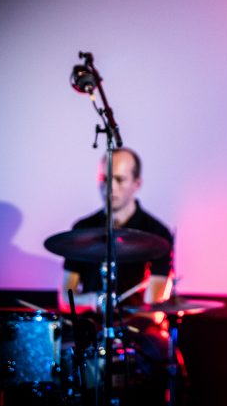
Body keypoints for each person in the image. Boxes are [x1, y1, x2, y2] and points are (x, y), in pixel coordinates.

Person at [58, 147, 175, 405]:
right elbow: (65, 296)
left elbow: (154, 306)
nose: (110, 187)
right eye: (105, 179)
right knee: (59, 352)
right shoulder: (82, 230)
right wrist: (96, 299)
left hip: (137, 331)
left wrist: (119, 315)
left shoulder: (156, 233)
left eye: (119, 179)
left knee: (156, 352)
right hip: (90, 327)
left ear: (137, 183)